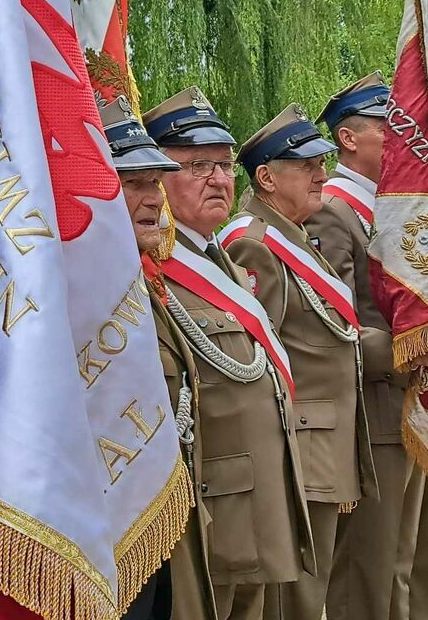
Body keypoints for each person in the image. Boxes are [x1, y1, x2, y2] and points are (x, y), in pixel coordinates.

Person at [143, 88, 314, 620]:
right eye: (197, 166)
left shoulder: (226, 266)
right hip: (209, 511)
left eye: (222, 164)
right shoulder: (151, 274)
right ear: (155, 179)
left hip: (257, 500)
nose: (218, 179)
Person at [220, 105, 377, 620]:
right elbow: (255, 363)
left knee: (313, 596)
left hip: (321, 448)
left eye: (322, 164)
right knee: (295, 605)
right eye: (306, 166)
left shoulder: (294, 236)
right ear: (266, 178)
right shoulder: (255, 246)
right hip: (297, 454)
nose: (321, 176)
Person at [102, 95, 212, 620]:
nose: (154, 199)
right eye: (134, 184)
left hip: (161, 525)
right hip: (107, 537)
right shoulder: (78, 297)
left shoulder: (141, 282)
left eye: (156, 182)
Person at [311, 72, 412, 620]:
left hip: (414, 402)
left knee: (411, 564)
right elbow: (334, 326)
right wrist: (417, 350)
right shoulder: (333, 210)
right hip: (373, 413)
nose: (401, 136)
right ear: (348, 138)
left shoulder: (393, 205)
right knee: (368, 574)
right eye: (386, 125)